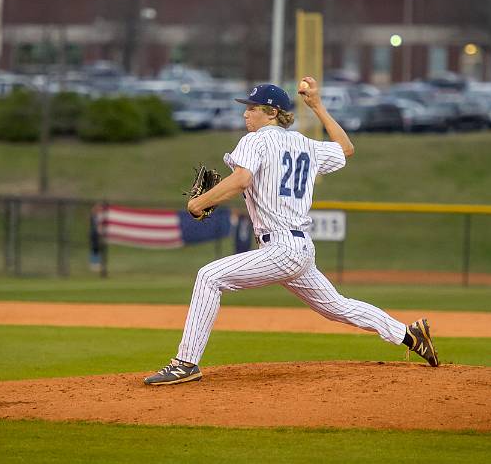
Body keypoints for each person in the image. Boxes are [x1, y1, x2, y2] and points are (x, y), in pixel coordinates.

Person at [144, 78, 439, 386]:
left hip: (281, 248)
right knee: (338, 307)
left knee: (209, 277)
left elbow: (242, 179)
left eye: (254, 108)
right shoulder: (304, 144)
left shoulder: (255, 141)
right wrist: (318, 107)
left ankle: (186, 363)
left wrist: (198, 203)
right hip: (297, 249)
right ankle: (409, 334)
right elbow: (346, 149)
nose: (246, 115)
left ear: (272, 113)